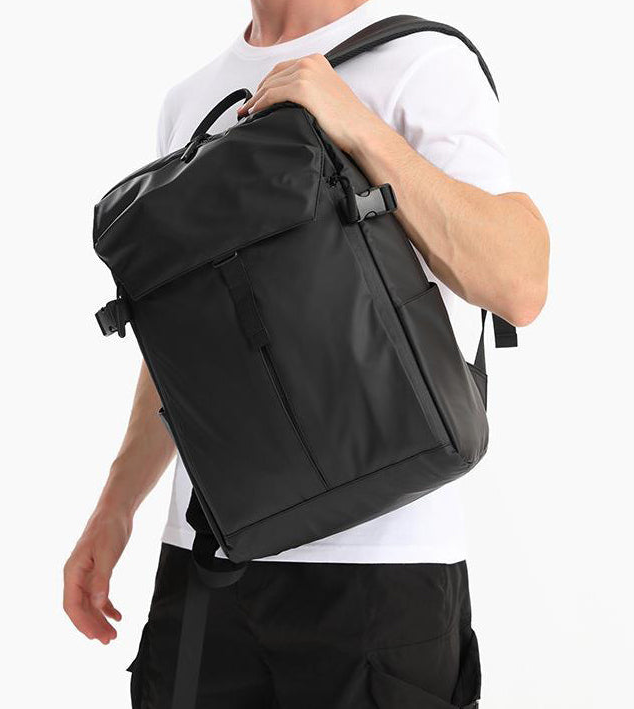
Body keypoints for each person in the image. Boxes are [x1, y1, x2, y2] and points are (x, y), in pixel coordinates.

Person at [64, 1, 550, 707]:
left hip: (381, 570)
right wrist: (115, 505)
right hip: (209, 556)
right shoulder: (189, 101)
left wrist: (355, 124)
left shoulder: (420, 63)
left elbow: (519, 283)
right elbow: (184, 346)